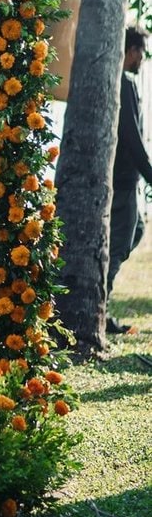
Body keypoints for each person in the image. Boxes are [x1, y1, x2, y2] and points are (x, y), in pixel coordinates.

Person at [107, 26, 152, 334]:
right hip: (121, 178)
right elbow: (131, 137)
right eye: (143, 52)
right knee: (119, 242)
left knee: (133, 232)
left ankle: (101, 305)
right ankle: (99, 310)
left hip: (126, 178)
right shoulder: (122, 83)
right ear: (131, 51)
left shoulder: (126, 83)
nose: (143, 58)